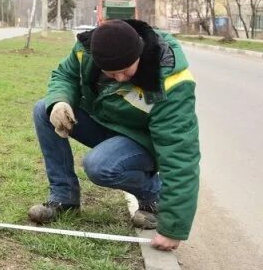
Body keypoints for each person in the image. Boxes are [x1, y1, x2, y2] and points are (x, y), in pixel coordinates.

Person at [29, 19, 199, 252]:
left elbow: (180, 153)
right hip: (106, 123)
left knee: (100, 165)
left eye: (125, 70)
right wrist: (60, 100)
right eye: (111, 72)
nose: (119, 78)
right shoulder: (86, 50)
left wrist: (173, 228)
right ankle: (64, 198)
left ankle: (153, 195)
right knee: (43, 109)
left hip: (143, 141)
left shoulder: (170, 81)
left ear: (138, 53)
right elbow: (65, 75)